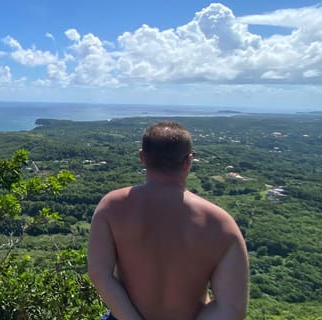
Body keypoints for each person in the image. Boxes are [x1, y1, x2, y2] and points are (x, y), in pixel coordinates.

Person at [87, 121, 249, 320]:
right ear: (188, 161)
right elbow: (232, 308)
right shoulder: (220, 223)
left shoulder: (112, 206)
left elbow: (99, 273)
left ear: (142, 157)